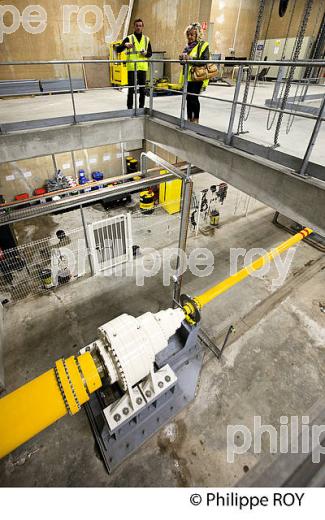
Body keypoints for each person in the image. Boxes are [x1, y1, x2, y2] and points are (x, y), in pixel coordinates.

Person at [115, 19, 152, 109]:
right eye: (137, 25)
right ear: (134, 27)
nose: (138, 27)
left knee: (142, 89)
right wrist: (125, 45)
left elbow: (150, 53)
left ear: (142, 27)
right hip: (132, 68)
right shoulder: (129, 38)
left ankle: (141, 107)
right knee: (131, 89)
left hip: (142, 68)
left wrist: (145, 53)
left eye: (140, 26)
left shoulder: (147, 39)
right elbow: (118, 49)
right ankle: (130, 108)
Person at [179, 22, 210, 124]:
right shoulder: (187, 47)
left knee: (194, 98)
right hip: (188, 78)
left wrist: (191, 59)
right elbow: (182, 63)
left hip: (197, 77)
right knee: (188, 98)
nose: (190, 37)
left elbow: (204, 61)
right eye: (188, 34)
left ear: (198, 35)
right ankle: (189, 118)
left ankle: (196, 119)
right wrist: (182, 59)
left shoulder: (203, 45)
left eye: (192, 34)